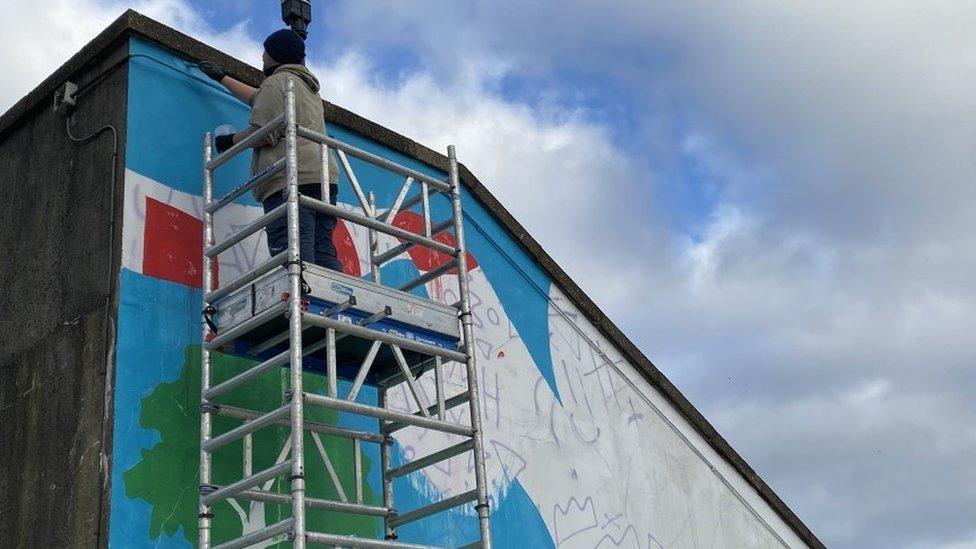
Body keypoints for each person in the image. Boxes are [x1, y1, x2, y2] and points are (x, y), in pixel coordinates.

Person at [199, 29, 342, 271]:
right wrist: (222, 78)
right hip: (322, 179)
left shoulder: (276, 82)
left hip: (290, 179)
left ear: (276, 54)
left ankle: (301, 298)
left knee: (294, 250)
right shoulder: (305, 87)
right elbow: (260, 98)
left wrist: (231, 141)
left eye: (265, 51)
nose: (262, 57)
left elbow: (264, 132)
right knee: (322, 249)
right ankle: (331, 303)